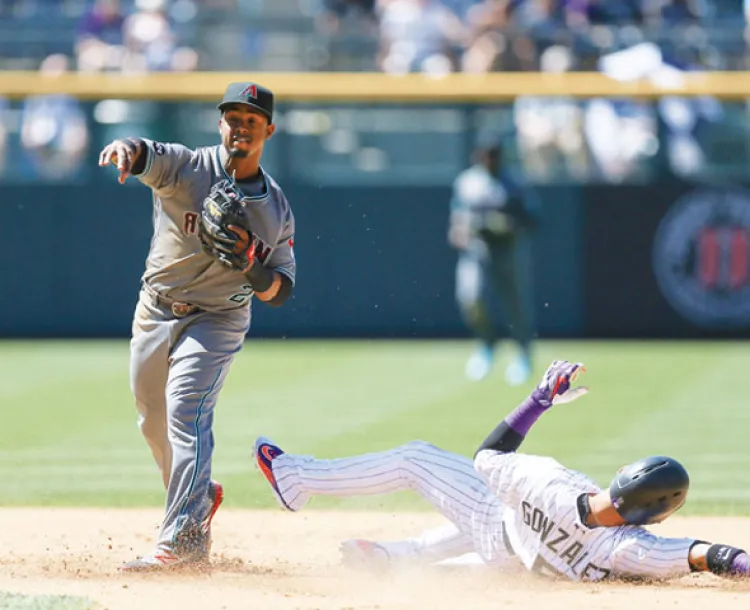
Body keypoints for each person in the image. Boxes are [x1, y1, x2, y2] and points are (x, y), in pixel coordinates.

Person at [254, 360, 750, 581]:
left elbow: (487, 457)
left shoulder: (552, 483)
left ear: (623, 478)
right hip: (530, 568)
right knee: (493, 551)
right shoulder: (633, 550)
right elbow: (710, 556)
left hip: (505, 527)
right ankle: (393, 556)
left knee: (417, 459)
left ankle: (296, 480)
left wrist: (538, 401)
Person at [99, 81, 296, 571]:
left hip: (219, 317)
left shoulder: (274, 209)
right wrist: (127, 150)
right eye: (233, 118)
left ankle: (183, 540)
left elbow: (279, 290)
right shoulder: (189, 166)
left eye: (252, 120)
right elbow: (146, 154)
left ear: (268, 130)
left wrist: (252, 264)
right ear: (220, 123)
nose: (241, 128)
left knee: (185, 409)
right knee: (152, 421)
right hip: (157, 307)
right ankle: (198, 496)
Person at [448, 133, 540, 384]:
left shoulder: (515, 183)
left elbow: (532, 219)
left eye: (495, 154)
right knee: (470, 298)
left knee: (515, 305)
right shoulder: (467, 182)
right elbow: (457, 220)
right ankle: (487, 344)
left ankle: (523, 354)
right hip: (476, 248)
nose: (491, 159)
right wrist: (461, 233)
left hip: (507, 249)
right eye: (486, 154)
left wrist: (508, 225)